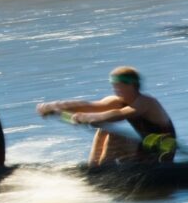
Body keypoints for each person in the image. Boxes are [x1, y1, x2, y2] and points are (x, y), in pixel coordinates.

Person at [36, 66, 176, 164]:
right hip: (144, 150)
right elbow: (89, 106)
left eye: (118, 84)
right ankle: (94, 167)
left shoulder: (146, 102)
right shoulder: (118, 100)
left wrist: (86, 117)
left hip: (160, 154)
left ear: (131, 85)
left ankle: (103, 171)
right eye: (113, 84)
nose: (115, 88)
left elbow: (118, 114)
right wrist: (54, 106)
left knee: (113, 136)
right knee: (104, 130)